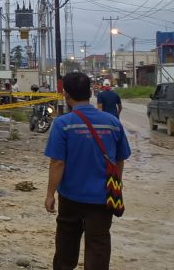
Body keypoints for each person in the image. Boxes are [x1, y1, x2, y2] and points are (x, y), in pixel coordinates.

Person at [44, 72, 131, 270]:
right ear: (90, 92)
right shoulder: (112, 122)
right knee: (98, 246)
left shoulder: (63, 124)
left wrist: (50, 194)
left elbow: (58, 162)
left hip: (70, 197)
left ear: (66, 95)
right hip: (102, 198)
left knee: (66, 245)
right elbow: (120, 159)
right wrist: (116, 183)